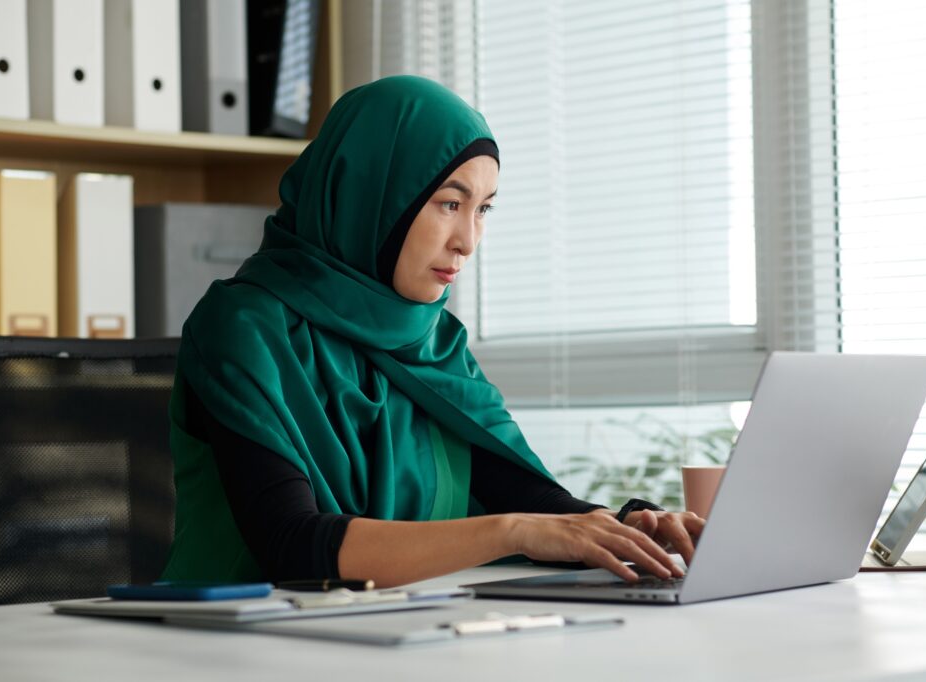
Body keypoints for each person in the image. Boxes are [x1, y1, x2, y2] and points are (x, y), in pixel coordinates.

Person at [161, 75, 704, 588]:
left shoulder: (436, 343)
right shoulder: (242, 326)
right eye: (449, 203)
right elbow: (290, 543)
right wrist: (512, 530)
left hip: (392, 628)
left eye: (483, 210)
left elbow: (524, 495)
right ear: (373, 191)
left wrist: (627, 525)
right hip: (235, 644)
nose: (468, 241)